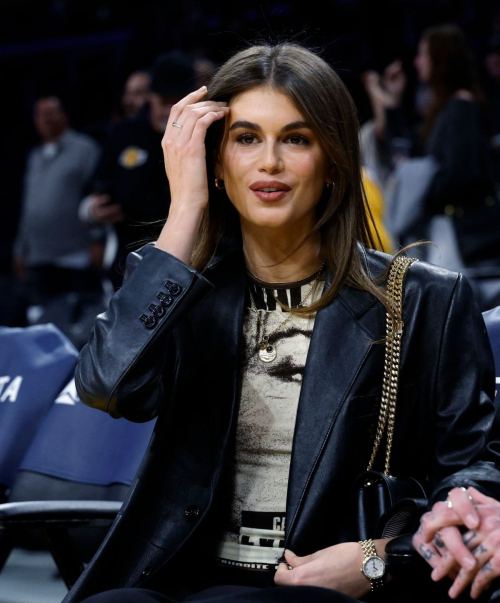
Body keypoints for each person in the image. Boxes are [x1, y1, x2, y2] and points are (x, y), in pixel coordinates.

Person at [66, 43, 500, 603]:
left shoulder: (424, 299)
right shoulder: (185, 292)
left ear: (334, 162)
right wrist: (183, 216)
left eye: (296, 139)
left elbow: (478, 474)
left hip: (323, 582)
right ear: (217, 163)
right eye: (246, 139)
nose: (268, 162)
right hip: (186, 574)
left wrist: (379, 558)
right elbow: (107, 387)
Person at [363, 25, 499, 270]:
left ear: (441, 59)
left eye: (423, 55)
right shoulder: (444, 108)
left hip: (462, 234)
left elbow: (461, 173)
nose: (417, 63)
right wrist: (392, 100)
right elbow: (407, 151)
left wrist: (419, 191)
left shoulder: (462, 108)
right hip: (447, 231)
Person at [78, 51, 197, 290]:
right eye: (163, 101)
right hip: (128, 257)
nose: (170, 110)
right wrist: (93, 210)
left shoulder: (203, 137)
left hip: (189, 257)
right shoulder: (124, 134)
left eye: (177, 101)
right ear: (150, 97)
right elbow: (93, 189)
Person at [12, 96, 103, 308]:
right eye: (40, 114)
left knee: (77, 325)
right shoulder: (35, 156)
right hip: (38, 256)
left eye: (51, 112)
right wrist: (20, 249)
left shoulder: (85, 149)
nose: (45, 119)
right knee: (43, 323)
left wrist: (98, 240)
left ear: (64, 115)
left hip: (75, 255)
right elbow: (29, 206)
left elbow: (98, 195)